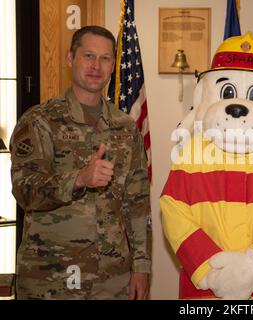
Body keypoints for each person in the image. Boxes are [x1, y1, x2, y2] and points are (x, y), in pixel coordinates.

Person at [10, 26, 151, 300]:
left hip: (112, 278)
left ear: (113, 65)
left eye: (105, 58)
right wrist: (78, 179)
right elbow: (25, 191)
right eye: (88, 56)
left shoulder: (125, 126)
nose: (96, 66)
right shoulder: (40, 121)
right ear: (69, 58)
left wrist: (142, 267)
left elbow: (138, 203)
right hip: (51, 277)